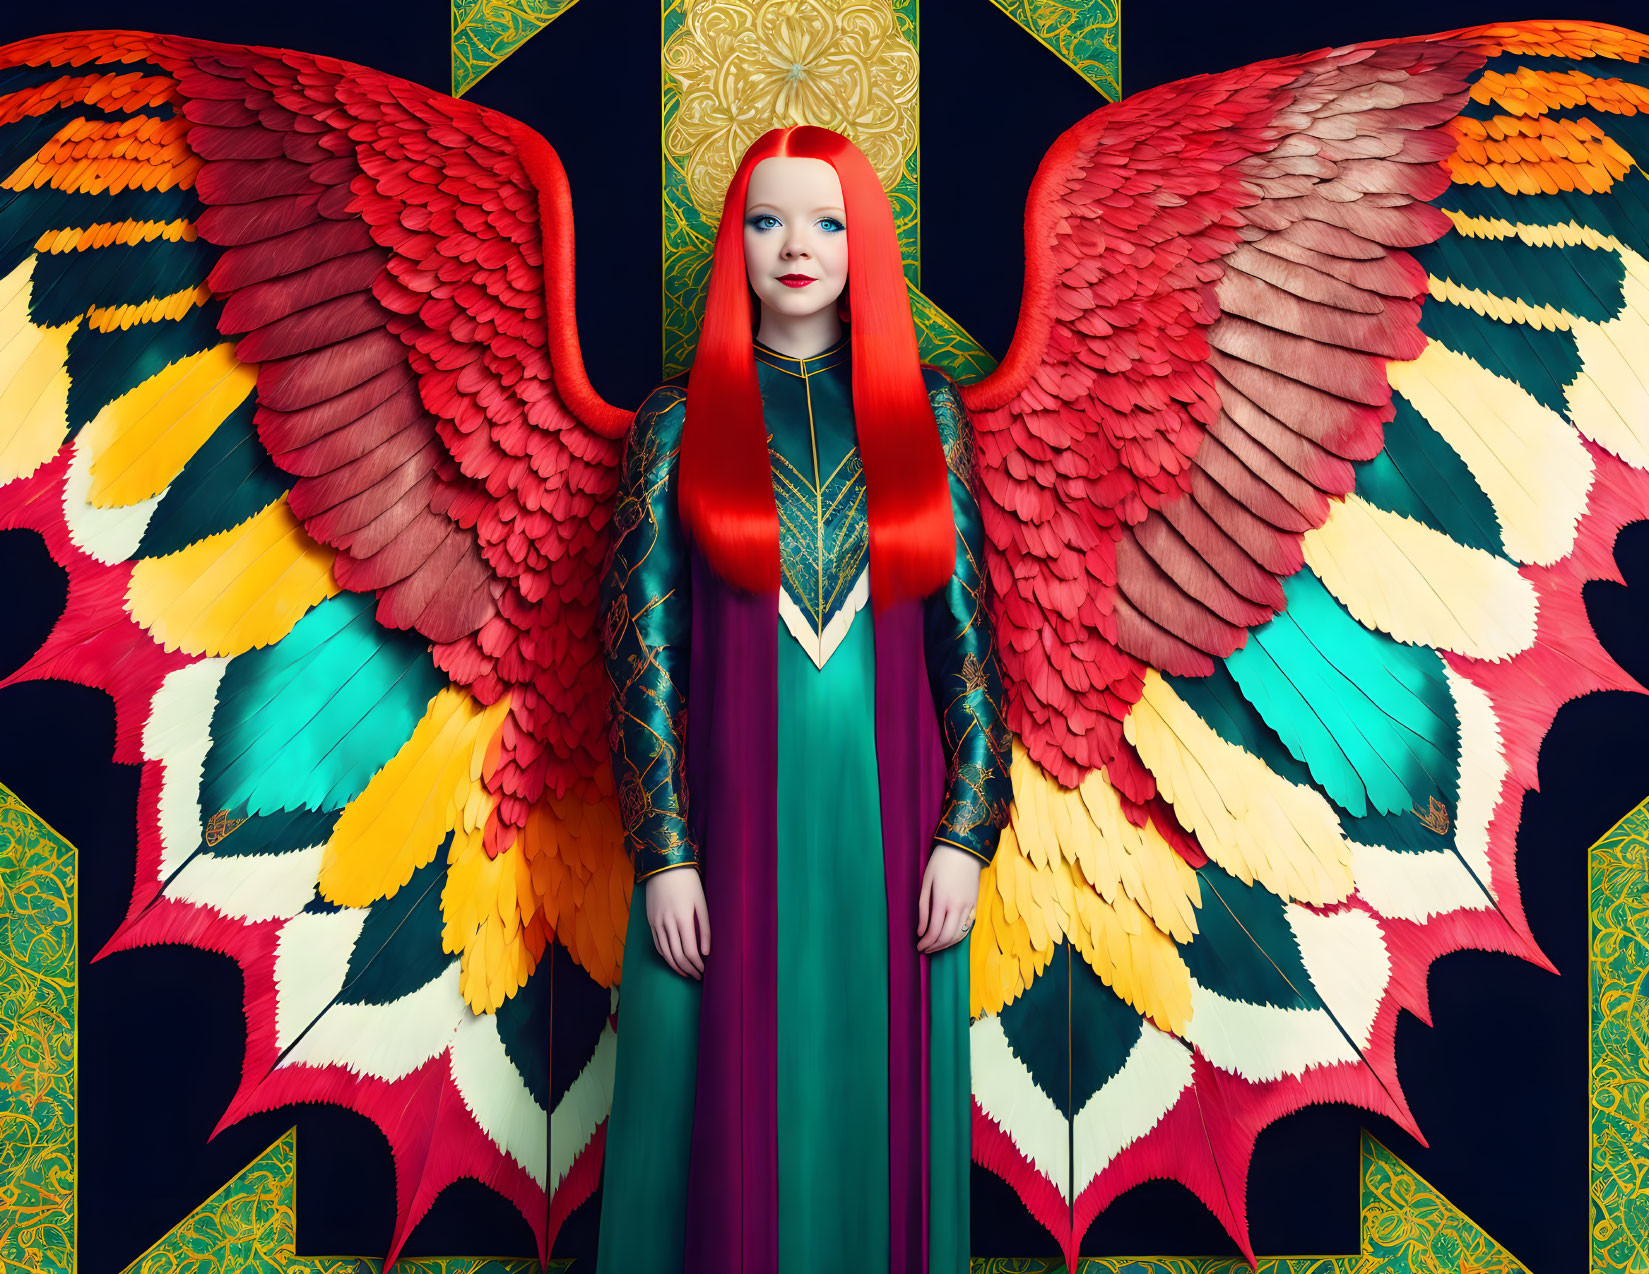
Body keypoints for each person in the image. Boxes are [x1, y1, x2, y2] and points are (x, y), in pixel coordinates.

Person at [595, 124, 1011, 1274]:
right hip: (722, 829)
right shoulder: (673, 423)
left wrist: (965, 830)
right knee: (716, 1108)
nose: (796, 245)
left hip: (897, 832)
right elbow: (640, 654)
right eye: (767, 218)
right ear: (734, 241)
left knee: (873, 1105)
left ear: (863, 240)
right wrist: (665, 851)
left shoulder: (927, 414)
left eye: (826, 220)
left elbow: (967, 640)